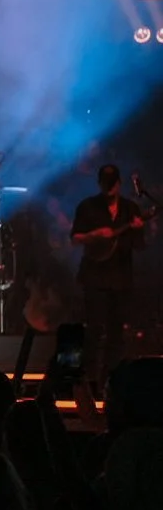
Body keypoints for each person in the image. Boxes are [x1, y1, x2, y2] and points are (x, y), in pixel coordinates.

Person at [71, 164, 149, 390]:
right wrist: (94, 235)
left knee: (117, 331)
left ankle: (111, 381)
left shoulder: (130, 208)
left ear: (119, 183)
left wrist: (138, 229)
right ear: (99, 184)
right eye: (106, 184)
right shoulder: (87, 206)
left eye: (113, 183)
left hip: (121, 277)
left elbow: (139, 246)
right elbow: (75, 238)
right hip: (94, 277)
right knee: (94, 329)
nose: (110, 188)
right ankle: (89, 381)